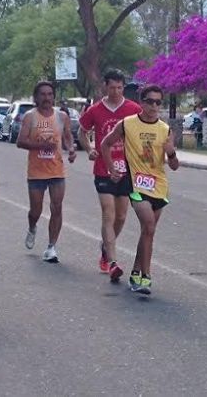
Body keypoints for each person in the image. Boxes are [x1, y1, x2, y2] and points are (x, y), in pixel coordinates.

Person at [101, 84, 179, 294]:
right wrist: (111, 169)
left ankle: (136, 271)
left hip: (159, 186)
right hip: (136, 184)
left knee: (148, 231)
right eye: (150, 101)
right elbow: (105, 144)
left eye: (158, 102)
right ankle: (145, 276)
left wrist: (171, 153)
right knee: (149, 225)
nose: (154, 106)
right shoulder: (127, 124)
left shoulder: (165, 129)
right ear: (141, 102)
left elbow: (174, 165)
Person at [78, 69, 142, 282]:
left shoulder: (134, 109)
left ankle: (106, 245)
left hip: (127, 169)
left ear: (124, 87)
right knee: (109, 212)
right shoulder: (95, 110)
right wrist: (89, 149)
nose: (116, 91)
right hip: (103, 168)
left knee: (122, 215)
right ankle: (113, 263)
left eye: (119, 88)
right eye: (112, 87)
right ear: (105, 86)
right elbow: (82, 131)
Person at [18, 81, 76, 263]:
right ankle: (32, 227)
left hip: (56, 170)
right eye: (42, 94)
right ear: (36, 97)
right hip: (36, 172)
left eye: (50, 94)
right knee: (36, 210)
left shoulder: (61, 116)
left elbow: (67, 136)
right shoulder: (30, 117)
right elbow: (21, 142)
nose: (47, 98)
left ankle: (51, 247)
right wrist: (42, 145)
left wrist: (71, 149)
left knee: (56, 207)